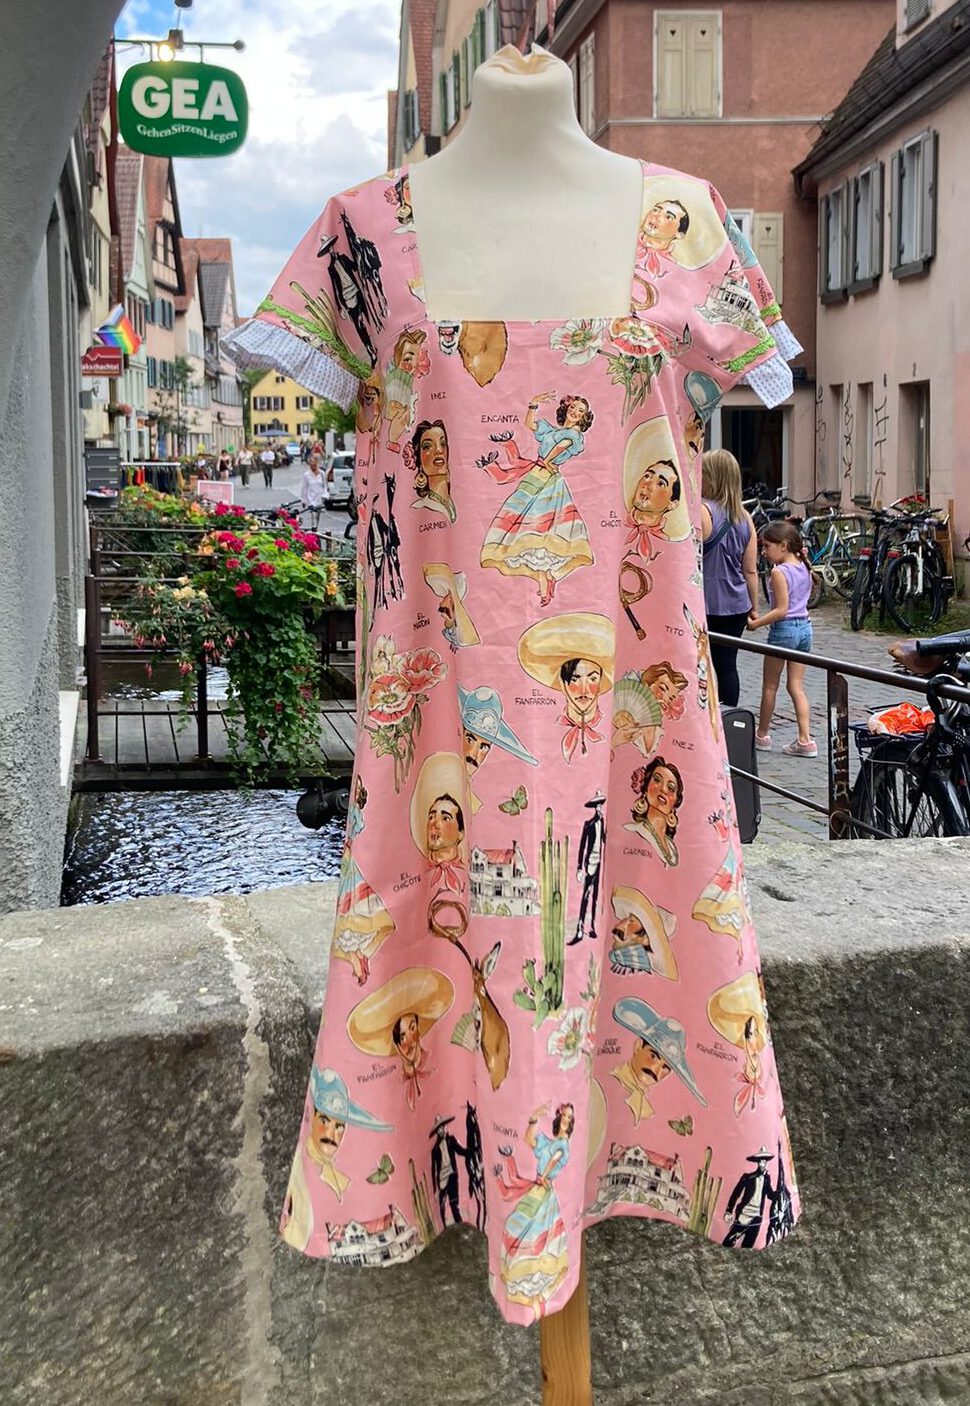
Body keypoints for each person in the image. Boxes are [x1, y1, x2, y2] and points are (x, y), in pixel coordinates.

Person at [747, 521, 817, 757]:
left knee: (770, 685)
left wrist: (756, 623)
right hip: (805, 628)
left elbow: (782, 610)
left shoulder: (779, 572)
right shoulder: (803, 565)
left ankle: (762, 735)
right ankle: (805, 739)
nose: (764, 552)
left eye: (767, 546)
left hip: (784, 631)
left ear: (784, 546)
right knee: (796, 686)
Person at [700, 449, 759, 707]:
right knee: (727, 666)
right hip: (736, 605)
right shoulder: (744, 517)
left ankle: (706, 717)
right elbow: (750, 570)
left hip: (706, 602)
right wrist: (754, 607)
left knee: (700, 664)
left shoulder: (703, 511)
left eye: (702, 473)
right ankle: (729, 717)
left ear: (713, 478)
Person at [301, 457, 327, 530]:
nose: (313, 467)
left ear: (317, 464)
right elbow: (304, 488)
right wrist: (304, 500)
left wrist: (325, 495)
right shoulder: (306, 475)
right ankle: (314, 529)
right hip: (311, 499)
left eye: (314, 465)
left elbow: (325, 486)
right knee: (313, 516)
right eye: (311, 466)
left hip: (320, 499)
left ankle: (316, 530)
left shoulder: (322, 473)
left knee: (317, 517)